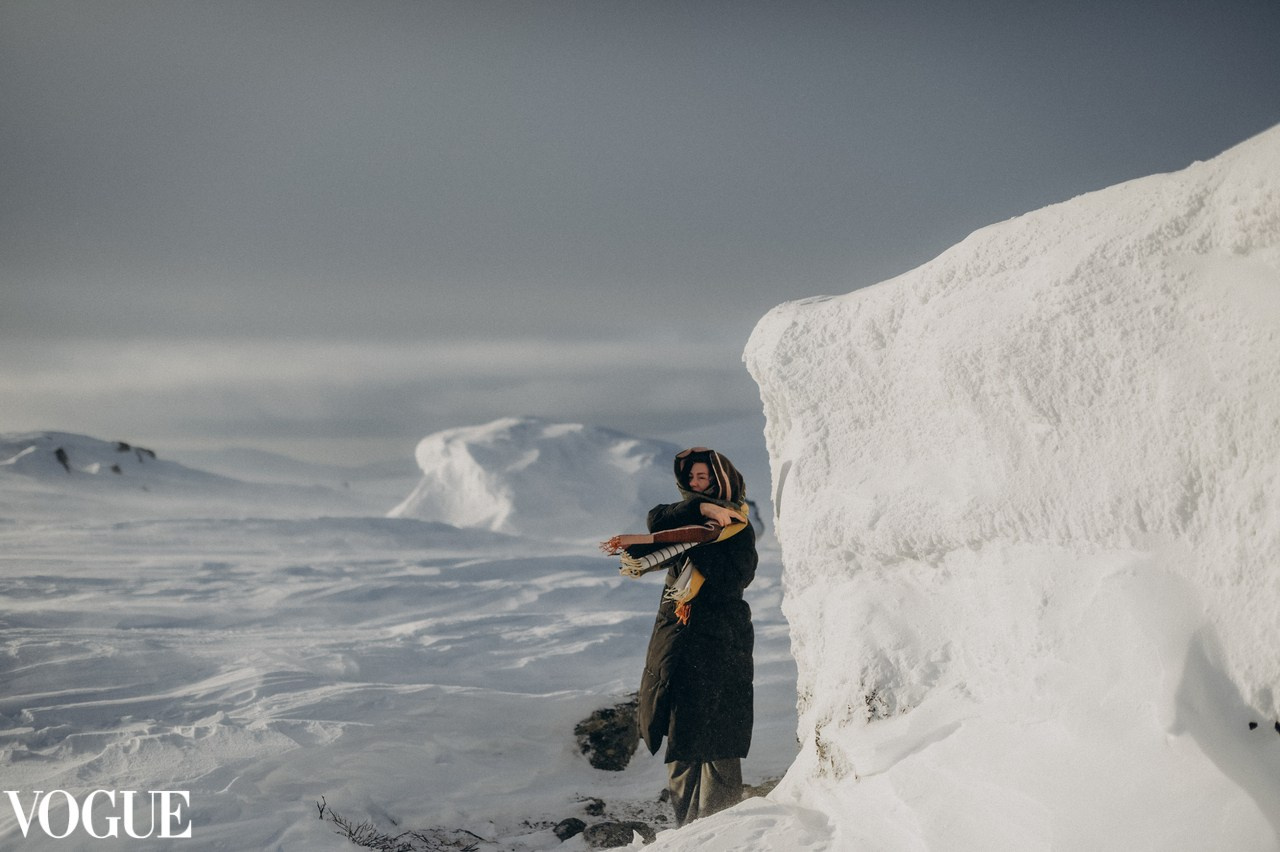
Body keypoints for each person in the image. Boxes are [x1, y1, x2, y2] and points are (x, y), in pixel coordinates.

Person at [602, 447, 757, 826]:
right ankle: (687, 831)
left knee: (718, 738)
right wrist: (703, 512)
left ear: (721, 479)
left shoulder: (737, 528)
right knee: (680, 735)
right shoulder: (685, 525)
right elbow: (657, 519)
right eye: (691, 478)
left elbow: (737, 577)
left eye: (703, 478)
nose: (695, 483)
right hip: (676, 639)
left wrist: (701, 544)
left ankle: (722, 827)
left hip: (719, 640)